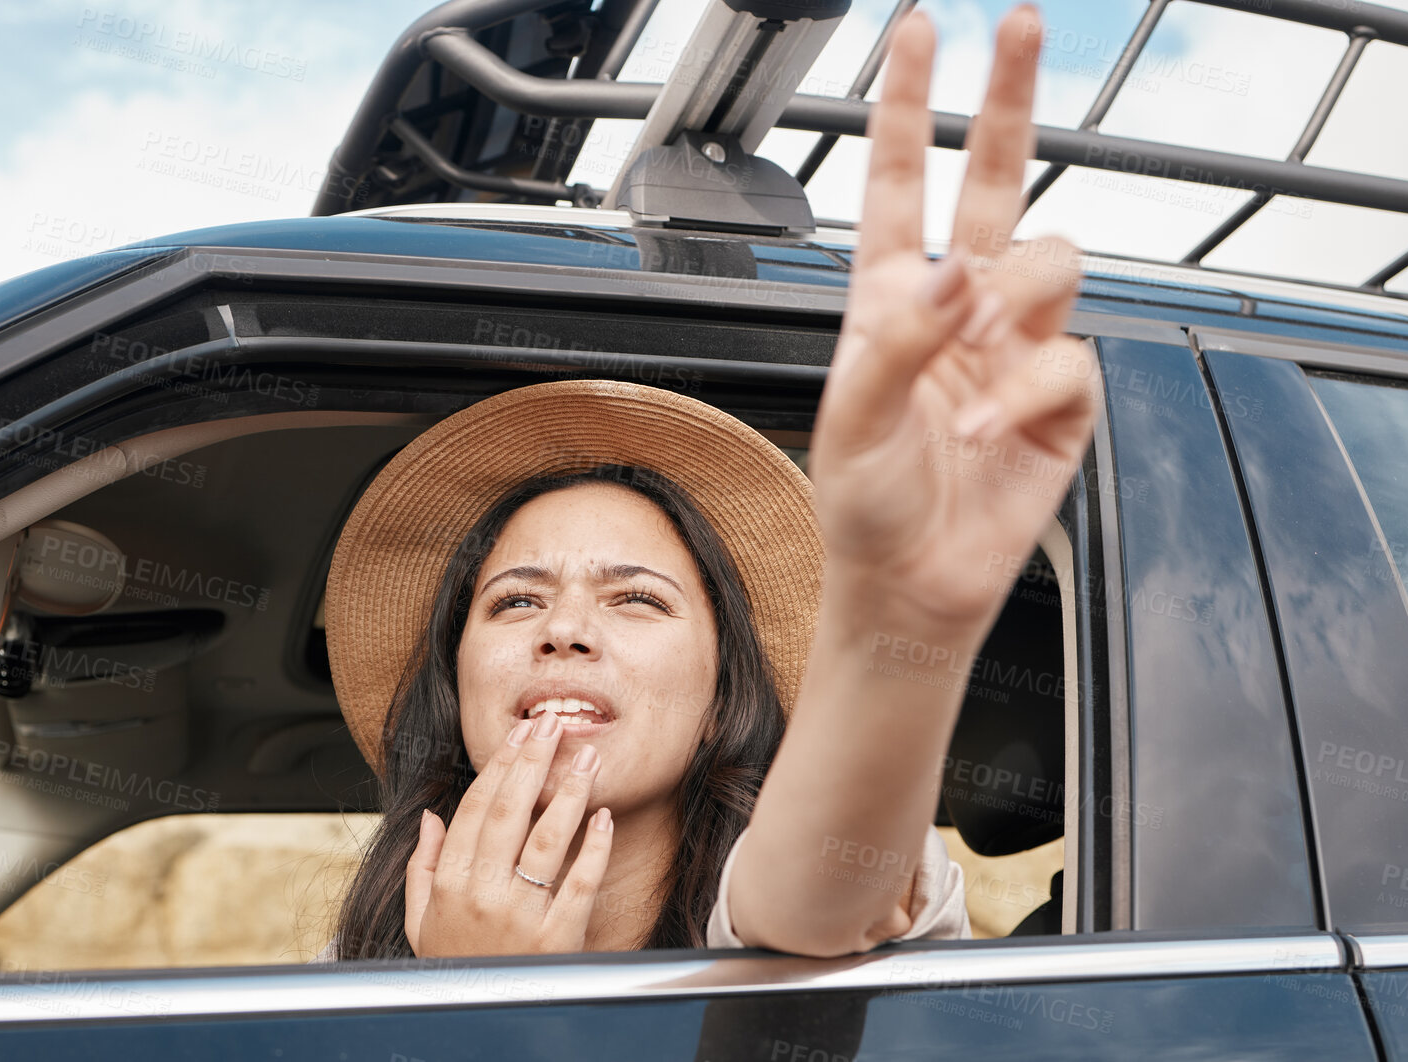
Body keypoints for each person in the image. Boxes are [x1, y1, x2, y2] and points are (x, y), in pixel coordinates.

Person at [313, 3, 1100, 962]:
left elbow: (817, 894)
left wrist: (899, 631)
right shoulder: (343, 979)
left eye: (636, 599)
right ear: (456, 677)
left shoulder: (768, 908)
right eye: (514, 600)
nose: (561, 629)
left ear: (724, 688)